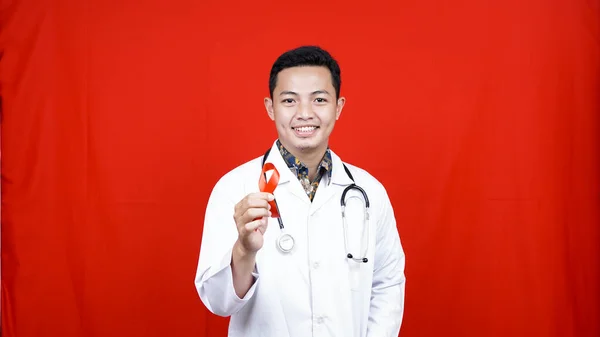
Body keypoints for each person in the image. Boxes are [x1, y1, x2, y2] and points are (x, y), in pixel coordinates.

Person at [194, 45, 406, 337]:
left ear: (338, 106)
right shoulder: (234, 188)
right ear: (271, 108)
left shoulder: (369, 192)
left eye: (319, 99)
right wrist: (243, 250)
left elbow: (387, 284)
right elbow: (219, 303)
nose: (305, 113)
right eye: (290, 101)